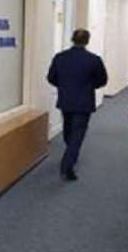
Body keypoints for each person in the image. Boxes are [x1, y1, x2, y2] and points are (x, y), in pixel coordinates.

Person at [47, 29, 108, 181]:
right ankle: (68, 164)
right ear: (87, 41)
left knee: (68, 130)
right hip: (84, 102)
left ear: (72, 39)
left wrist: (64, 86)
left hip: (66, 100)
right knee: (77, 134)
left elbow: (51, 77)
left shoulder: (60, 57)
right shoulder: (94, 60)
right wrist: (90, 86)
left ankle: (70, 154)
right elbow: (102, 80)